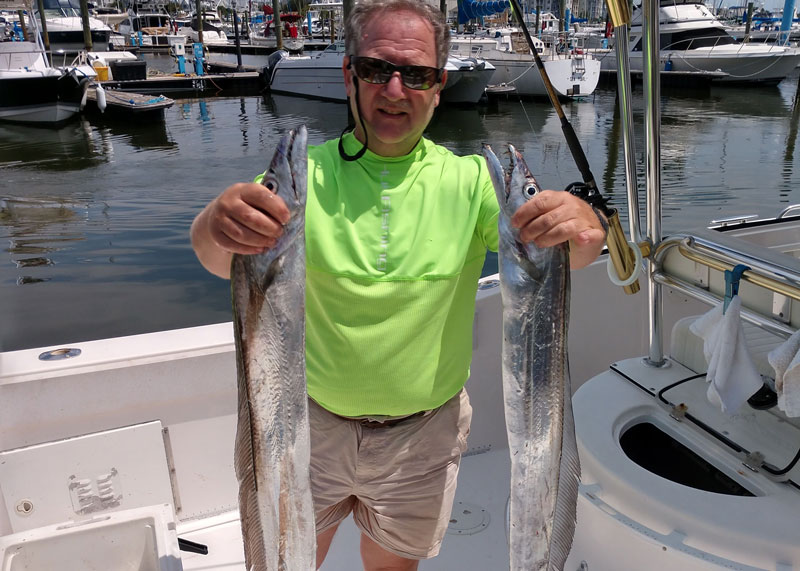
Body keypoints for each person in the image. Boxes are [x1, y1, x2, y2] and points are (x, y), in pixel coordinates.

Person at [190, 0, 607, 569]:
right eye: (375, 69)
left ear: (439, 86)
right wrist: (216, 224)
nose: (394, 89)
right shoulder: (302, 179)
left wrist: (586, 230)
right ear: (348, 75)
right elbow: (221, 257)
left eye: (416, 75)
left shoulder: (470, 181)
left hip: (424, 440)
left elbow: (564, 256)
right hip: (306, 431)